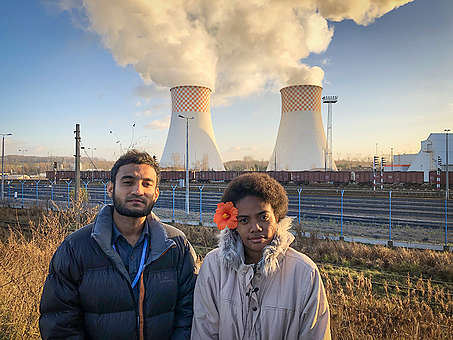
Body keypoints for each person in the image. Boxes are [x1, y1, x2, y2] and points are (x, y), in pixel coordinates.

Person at [39, 150, 197, 340]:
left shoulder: (176, 246)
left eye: (146, 184)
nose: (138, 190)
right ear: (110, 188)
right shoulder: (75, 248)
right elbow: (59, 323)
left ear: (156, 194)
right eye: (128, 182)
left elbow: (188, 315)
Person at [191, 172, 331, 340]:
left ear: (277, 216)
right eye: (244, 220)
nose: (255, 227)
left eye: (263, 217)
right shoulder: (214, 267)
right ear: (233, 224)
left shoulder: (304, 272)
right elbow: (204, 331)